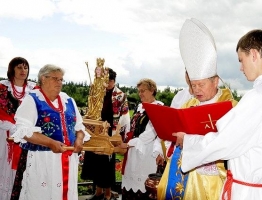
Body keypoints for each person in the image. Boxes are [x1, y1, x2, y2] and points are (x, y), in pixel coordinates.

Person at [174, 29, 262, 200]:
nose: (241, 67)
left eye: (242, 60)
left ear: (254, 54)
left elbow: (226, 141)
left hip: (251, 192)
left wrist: (189, 141)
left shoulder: (260, 96)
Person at [157, 18, 238, 200]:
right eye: (193, 85)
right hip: (187, 179)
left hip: (215, 179)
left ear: (215, 81)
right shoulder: (188, 104)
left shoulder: (231, 107)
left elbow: (231, 144)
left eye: (200, 85)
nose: (196, 91)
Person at [10, 64, 90, 200]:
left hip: (68, 160)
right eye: (55, 79)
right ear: (43, 79)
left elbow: (79, 126)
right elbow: (23, 130)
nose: (59, 82)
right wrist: (50, 143)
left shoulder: (68, 100)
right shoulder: (33, 100)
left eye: (61, 79)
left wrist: (79, 139)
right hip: (43, 160)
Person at [81, 68, 130, 200]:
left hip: (109, 132)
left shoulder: (120, 95)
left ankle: (107, 194)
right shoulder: (97, 92)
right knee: (95, 162)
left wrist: (116, 134)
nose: (107, 84)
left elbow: (124, 117)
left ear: (114, 81)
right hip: (95, 131)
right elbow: (90, 108)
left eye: (110, 81)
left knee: (106, 164)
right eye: (105, 81)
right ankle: (98, 192)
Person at [119, 78, 164, 200]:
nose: (140, 94)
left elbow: (151, 132)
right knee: (130, 187)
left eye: (143, 90)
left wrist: (128, 144)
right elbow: (132, 127)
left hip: (147, 152)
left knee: (144, 187)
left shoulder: (158, 107)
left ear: (152, 90)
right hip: (133, 151)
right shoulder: (140, 107)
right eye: (139, 91)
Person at [0, 57, 36, 200]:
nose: (23, 70)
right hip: (6, 134)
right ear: (12, 69)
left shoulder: (34, 89)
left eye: (25, 67)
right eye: (19, 67)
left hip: (28, 135)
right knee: (5, 168)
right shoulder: (2, 87)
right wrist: (14, 127)